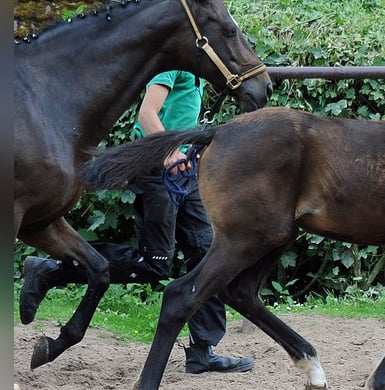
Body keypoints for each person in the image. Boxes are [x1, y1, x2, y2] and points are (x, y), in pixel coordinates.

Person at [20, 70, 254, 374]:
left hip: (184, 172)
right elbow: (147, 114)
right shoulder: (174, 67)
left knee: (206, 252)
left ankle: (203, 350)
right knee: (154, 262)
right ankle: (51, 271)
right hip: (158, 170)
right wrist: (171, 154)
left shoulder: (197, 73)